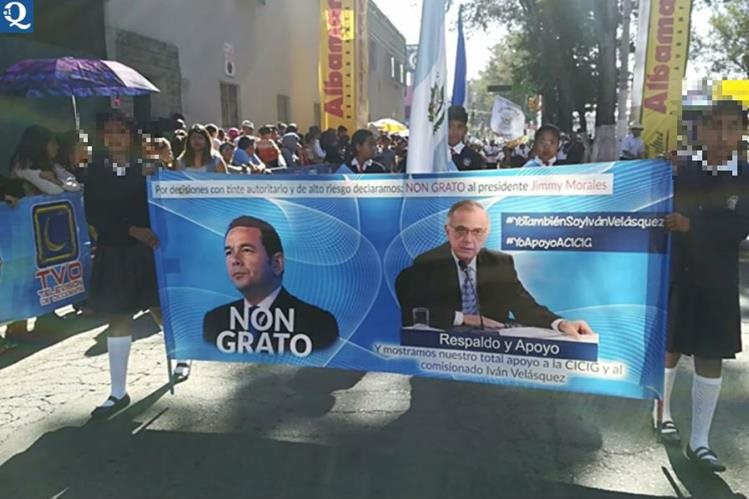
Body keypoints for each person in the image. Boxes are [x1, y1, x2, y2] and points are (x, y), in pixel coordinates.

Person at [655, 82, 749, 472]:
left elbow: (739, 227)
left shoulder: (745, 174)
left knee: (711, 356)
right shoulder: (682, 168)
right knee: (671, 349)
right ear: (703, 130)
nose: (724, 135)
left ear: (742, 132)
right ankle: (661, 415)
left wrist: (692, 225)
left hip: (718, 280)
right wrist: (659, 172)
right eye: (717, 126)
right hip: (680, 272)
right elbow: (658, 208)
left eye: (733, 127)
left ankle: (700, 442)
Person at [84, 112, 190, 419]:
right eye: (108, 132)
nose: (114, 137)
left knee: (158, 308)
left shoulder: (147, 166)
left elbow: (166, 201)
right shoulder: (95, 170)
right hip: (115, 250)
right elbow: (95, 215)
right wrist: (132, 230)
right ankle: (118, 392)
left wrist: (167, 166)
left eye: (120, 131)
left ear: (131, 136)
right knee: (118, 318)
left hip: (146, 252)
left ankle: (181, 354)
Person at [395, 200, 594, 338]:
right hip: (442, 354)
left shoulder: (500, 263)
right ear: (448, 231)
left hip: (490, 355)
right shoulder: (427, 263)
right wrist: (463, 318)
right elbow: (412, 312)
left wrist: (560, 324)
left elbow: (523, 306)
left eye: (477, 232)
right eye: (461, 231)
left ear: (486, 233)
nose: (468, 240)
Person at [203, 216, 339, 352]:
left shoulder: (318, 323)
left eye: (246, 250)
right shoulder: (215, 321)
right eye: (229, 252)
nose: (235, 260)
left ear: (276, 263)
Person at [9, 125, 65, 195]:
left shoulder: (51, 165)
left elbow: (75, 184)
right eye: (53, 143)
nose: (57, 147)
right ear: (41, 144)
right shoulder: (23, 166)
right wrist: (56, 182)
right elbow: (55, 190)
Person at [447, 105, 484, 171]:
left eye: (459, 127)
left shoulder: (474, 157)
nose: (454, 131)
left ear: (465, 130)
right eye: (450, 126)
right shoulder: (436, 154)